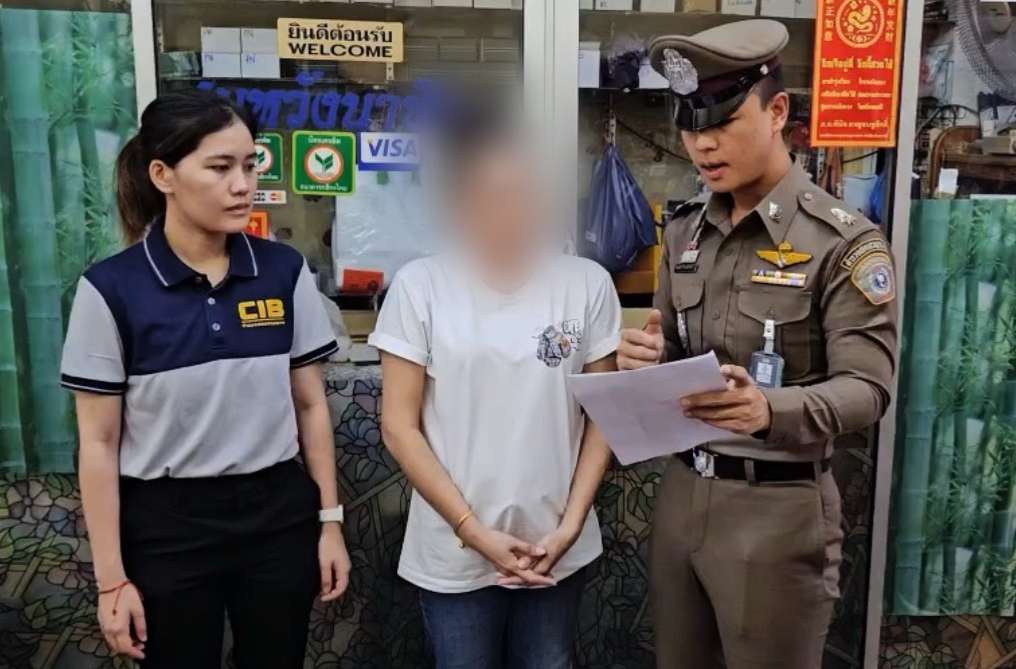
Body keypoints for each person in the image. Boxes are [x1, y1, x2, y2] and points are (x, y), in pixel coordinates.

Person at [616, 20, 899, 669]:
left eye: (722, 121)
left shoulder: (842, 241)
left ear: (777, 113)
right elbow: (675, 350)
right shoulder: (685, 233)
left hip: (776, 509)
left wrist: (769, 410)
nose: (702, 143)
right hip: (683, 496)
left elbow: (868, 388)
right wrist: (649, 360)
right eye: (691, 126)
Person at [61, 91, 351, 669]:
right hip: (167, 527)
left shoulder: (283, 271)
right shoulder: (110, 289)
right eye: (219, 168)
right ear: (162, 175)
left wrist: (329, 523)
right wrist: (111, 579)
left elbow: (310, 406)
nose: (242, 185)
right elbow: (98, 442)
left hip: (277, 517)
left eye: (250, 165)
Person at [370, 113, 621, 669]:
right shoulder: (421, 286)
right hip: (454, 547)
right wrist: (472, 530)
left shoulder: (585, 284)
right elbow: (398, 426)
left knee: (550, 660)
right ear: (460, 202)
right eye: (492, 194)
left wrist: (571, 526)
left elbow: (602, 416)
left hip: (556, 545)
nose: (509, 209)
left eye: (522, 192)